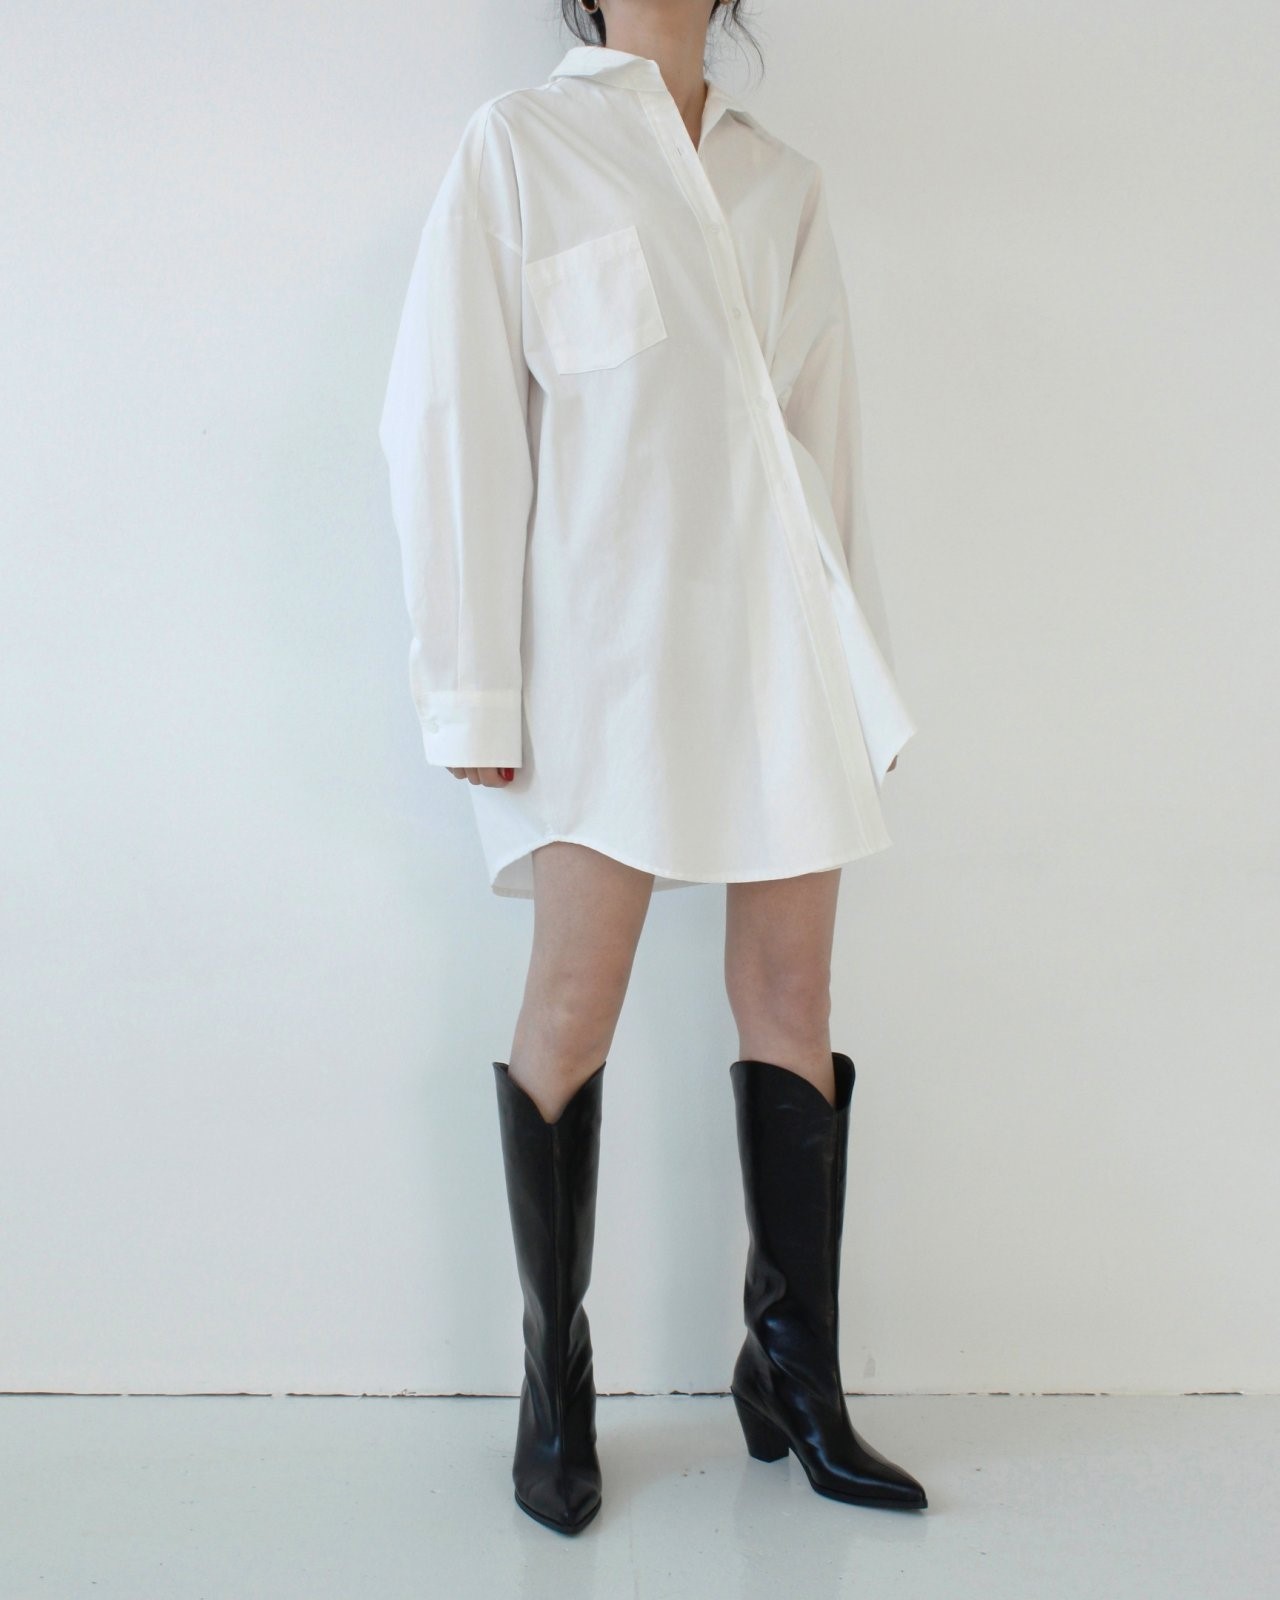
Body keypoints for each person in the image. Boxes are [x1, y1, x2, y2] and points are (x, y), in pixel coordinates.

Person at [378, 0, 927, 1536]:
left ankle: (794, 1375)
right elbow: (451, 419)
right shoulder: (524, 147)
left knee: (795, 997)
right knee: (572, 1001)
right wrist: (474, 690)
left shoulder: (780, 183)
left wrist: (859, 679)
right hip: (605, 655)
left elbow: (821, 439)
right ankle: (555, 1387)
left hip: (780, 651)